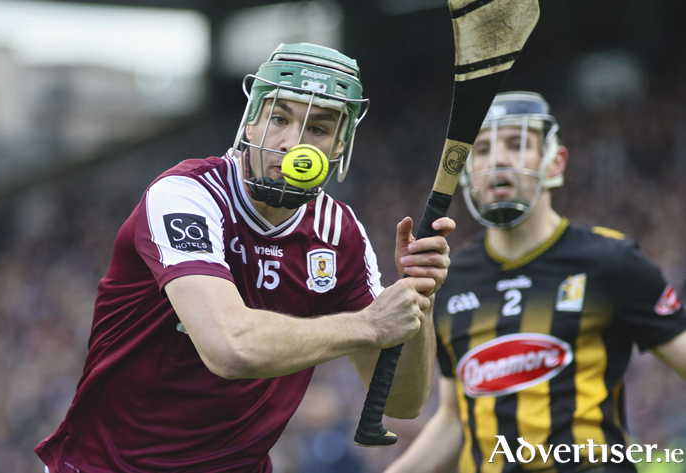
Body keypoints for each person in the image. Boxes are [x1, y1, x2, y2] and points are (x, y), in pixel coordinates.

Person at [35, 43, 455, 473]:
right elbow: (229, 347)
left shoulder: (339, 234)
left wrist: (418, 293)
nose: (293, 144)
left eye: (318, 128)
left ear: (339, 145)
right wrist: (366, 325)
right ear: (250, 124)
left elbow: (402, 401)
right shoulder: (186, 196)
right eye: (280, 118)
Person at [385, 91, 686, 472]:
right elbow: (453, 418)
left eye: (516, 144)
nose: (497, 160)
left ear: (555, 163)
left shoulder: (613, 261)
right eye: (481, 150)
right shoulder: (450, 279)